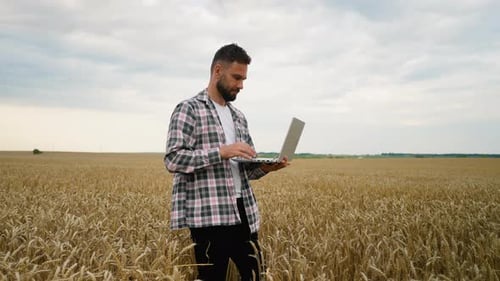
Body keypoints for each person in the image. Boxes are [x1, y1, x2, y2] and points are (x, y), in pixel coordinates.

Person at [164, 43, 288, 281]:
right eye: (236, 77)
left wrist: (265, 167)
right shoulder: (188, 109)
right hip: (209, 216)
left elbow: (245, 171)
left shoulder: (239, 117)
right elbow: (173, 158)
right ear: (218, 70)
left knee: (256, 276)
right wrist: (221, 152)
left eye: (244, 79)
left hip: (243, 212)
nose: (241, 85)